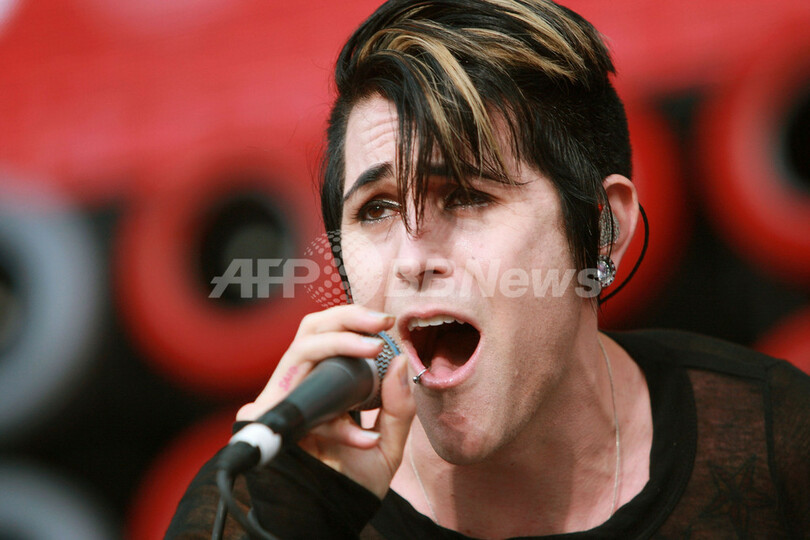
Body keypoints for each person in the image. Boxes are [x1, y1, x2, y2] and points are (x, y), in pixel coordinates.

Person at [167, 0, 810, 538]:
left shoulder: (774, 435)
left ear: (603, 230)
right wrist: (296, 516)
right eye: (377, 208)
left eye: (467, 197)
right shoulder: (259, 504)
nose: (412, 261)